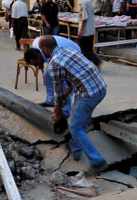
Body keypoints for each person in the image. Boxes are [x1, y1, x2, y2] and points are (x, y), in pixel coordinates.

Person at [39, 36, 107, 174]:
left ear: (45, 49)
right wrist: (64, 96)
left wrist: (57, 113)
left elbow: (57, 95)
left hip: (88, 94)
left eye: (41, 50)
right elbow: (71, 81)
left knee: (75, 127)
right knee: (80, 120)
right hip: (101, 88)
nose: (41, 52)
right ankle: (76, 150)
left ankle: (97, 161)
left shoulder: (54, 64)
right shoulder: (68, 50)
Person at [24, 35, 80, 117]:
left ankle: (66, 110)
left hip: (73, 50)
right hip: (58, 48)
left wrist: (57, 108)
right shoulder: (37, 49)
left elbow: (58, 87)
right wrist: (40, 64)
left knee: (64, 84)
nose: (37, 67)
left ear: (39, 56)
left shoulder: (55, 58)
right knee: (47, 74)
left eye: (36, 64)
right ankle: (50, 101)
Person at [78, 0, 101, 67]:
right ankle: (89, 64)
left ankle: (96, 61)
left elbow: (84, 18)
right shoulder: (89, 2)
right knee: (88, 50)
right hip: (90, 30)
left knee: (84, 50)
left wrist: (81, 31)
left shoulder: (84, 2)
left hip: (85, 32)